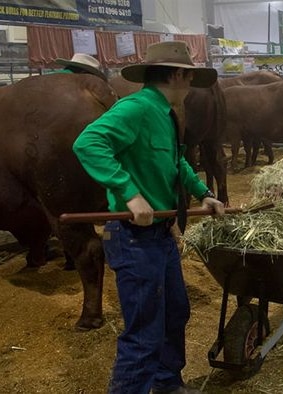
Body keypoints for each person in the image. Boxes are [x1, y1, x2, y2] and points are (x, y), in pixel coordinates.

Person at [73, 41, 223, 394]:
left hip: (160, 234)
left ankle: (166, 383)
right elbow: (88, 142)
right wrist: (130, 192)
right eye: (189, 77)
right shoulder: (137, 108)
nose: (190, 85)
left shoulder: (167, 113)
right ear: (176, 74)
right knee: (144, 333)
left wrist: (204, 193)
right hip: (132, 238)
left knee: (175, 314)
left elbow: (175, 163)